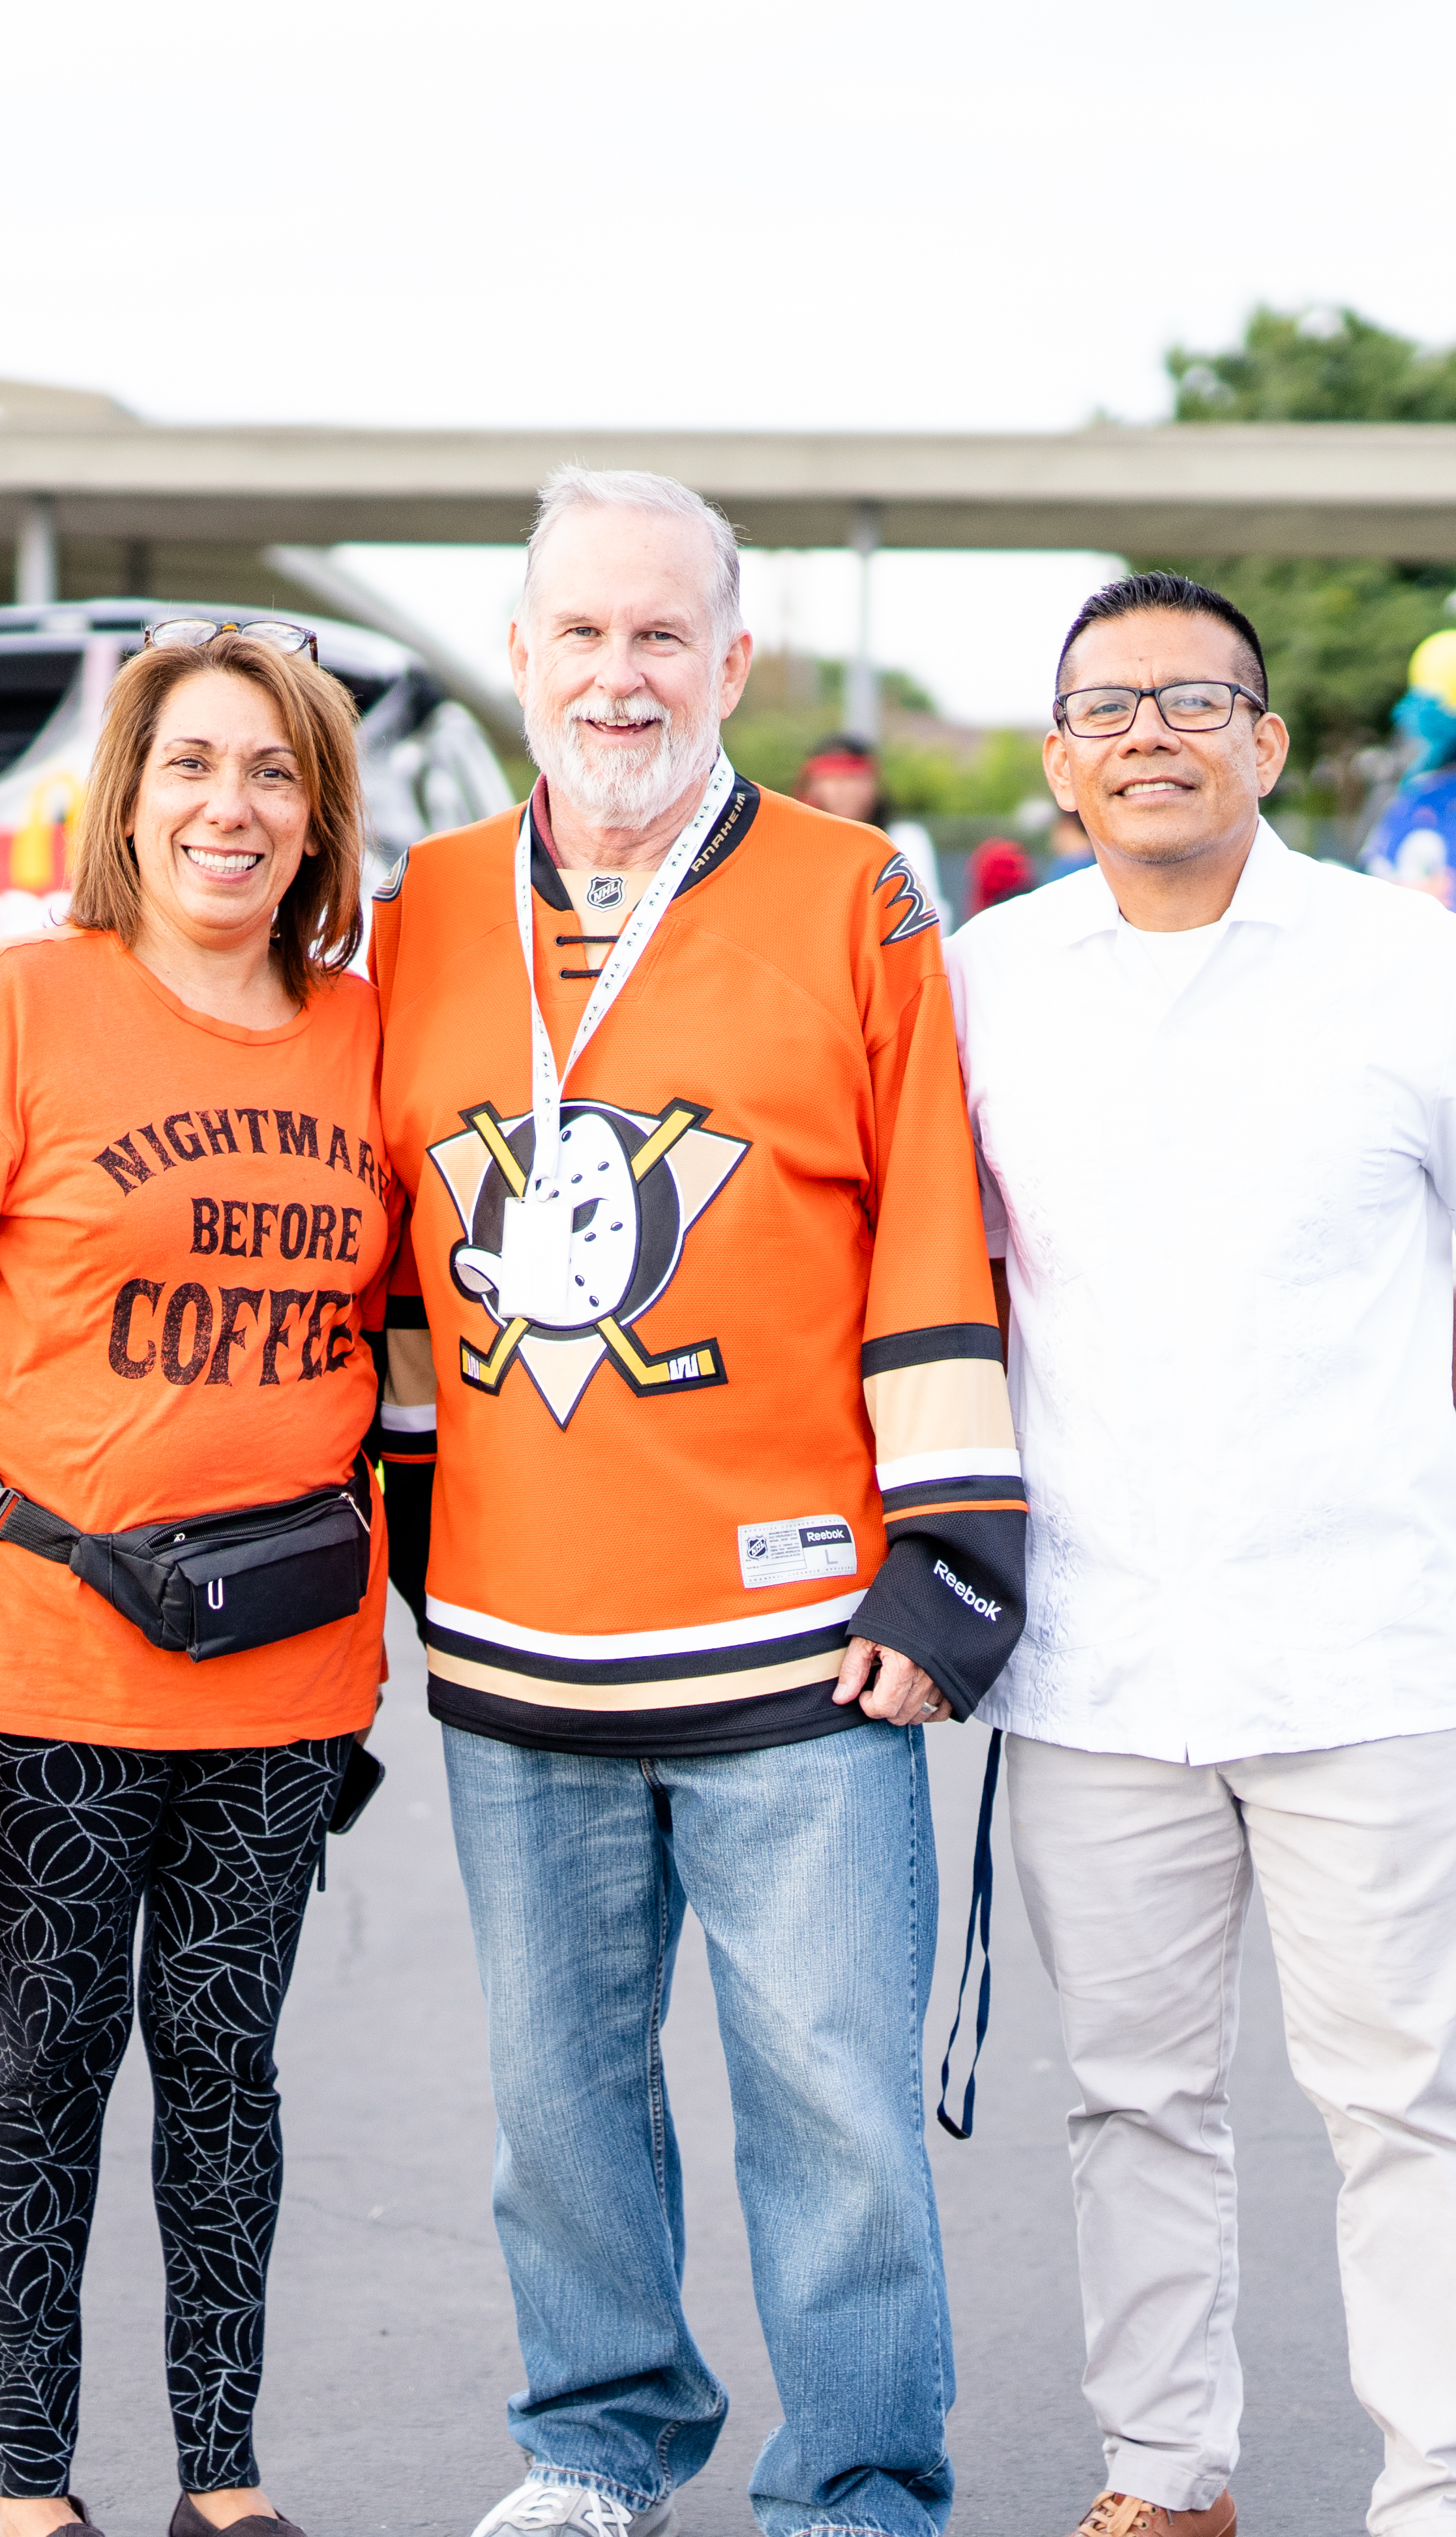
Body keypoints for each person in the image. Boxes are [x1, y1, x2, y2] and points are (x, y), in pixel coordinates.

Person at [367, 468, 1024, 2537]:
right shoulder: (426, 906)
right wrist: (389, 1540)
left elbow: (933, 1214)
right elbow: (384, 1260)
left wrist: (951, 1556)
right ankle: (592, 2443)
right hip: (511, 1637)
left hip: (800, 1634)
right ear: (522, 655)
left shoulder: (854, 894)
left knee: (832, 2114)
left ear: (732, 661)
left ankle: (850, 2485)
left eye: (662, 635)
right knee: (556, 2110)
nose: (619, 673)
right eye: (580, 633)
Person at [944, 573, 1456, 2537]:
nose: (1148, 734)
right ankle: (1165, 2472)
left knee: (1402, 2099)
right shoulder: (983, 979)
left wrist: (1389, 1408)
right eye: (1106, 707)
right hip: (1090, 1655)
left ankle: (1448, 2495)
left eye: (1191, 699)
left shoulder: (1406, 967)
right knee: (1131, 2097)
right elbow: (952, 1281)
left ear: (1264, 743)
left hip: (1359, 1651)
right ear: (1058, 760)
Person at [0, 619, 394, 2537]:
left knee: (225, 2069)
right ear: (126, 800)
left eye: (270, 771)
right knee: (53, 2061)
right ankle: (28, 2491)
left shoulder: (365, 1028)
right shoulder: (15, 1006)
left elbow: (405, 1343)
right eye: (191, 766)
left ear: (319, 814)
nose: (229, 804)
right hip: (50, 1659)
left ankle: (221, 2483)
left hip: (286, 1670)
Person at [794, 732, 949, 932]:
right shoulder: (800, 844)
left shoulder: (905, 839)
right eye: (833, 780)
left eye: (853, 779)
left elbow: (927, 918)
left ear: (873, 785)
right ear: (814, 787)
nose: (844, 791)